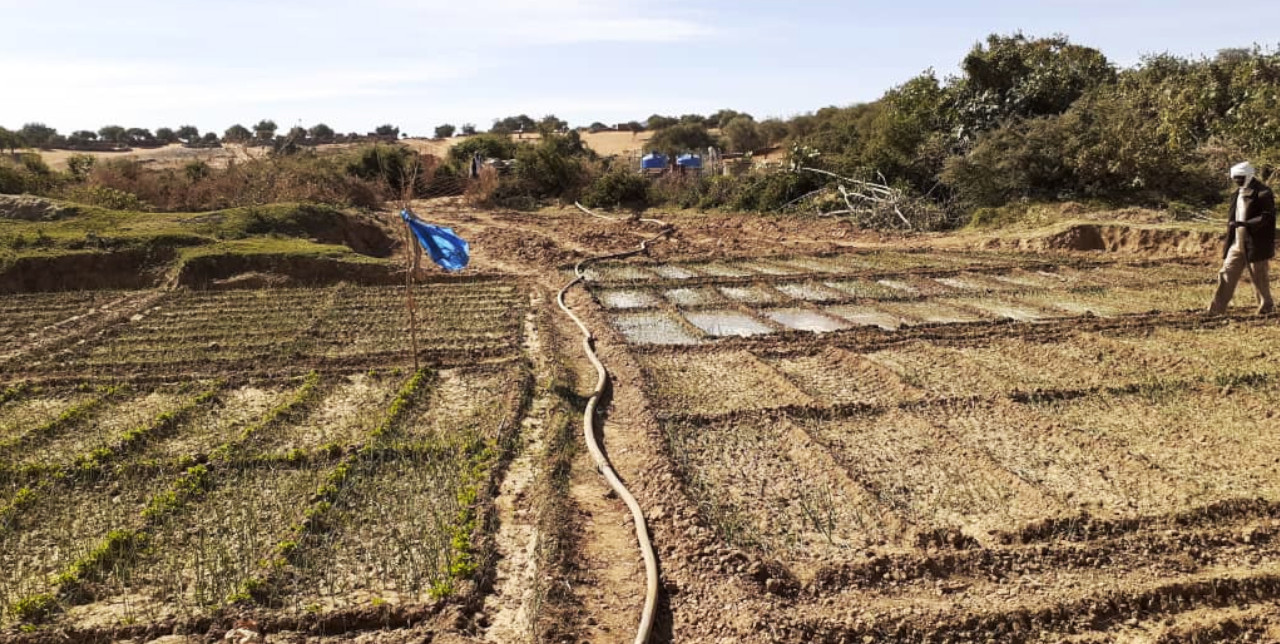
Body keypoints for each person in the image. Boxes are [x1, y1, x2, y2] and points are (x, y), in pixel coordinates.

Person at [1208, 161, 1276, 315]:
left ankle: (1266, 307)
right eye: (1235, 178)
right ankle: (1216, 310)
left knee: (1259, 276)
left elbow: (1267, 217)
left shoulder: (1263, 193)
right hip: (1236, 242)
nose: (1237, 181)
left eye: (1240, 178)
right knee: (1226, 273)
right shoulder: (1236, 194)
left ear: (1249, 175)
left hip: (1255, 243)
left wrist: (1245, 224)